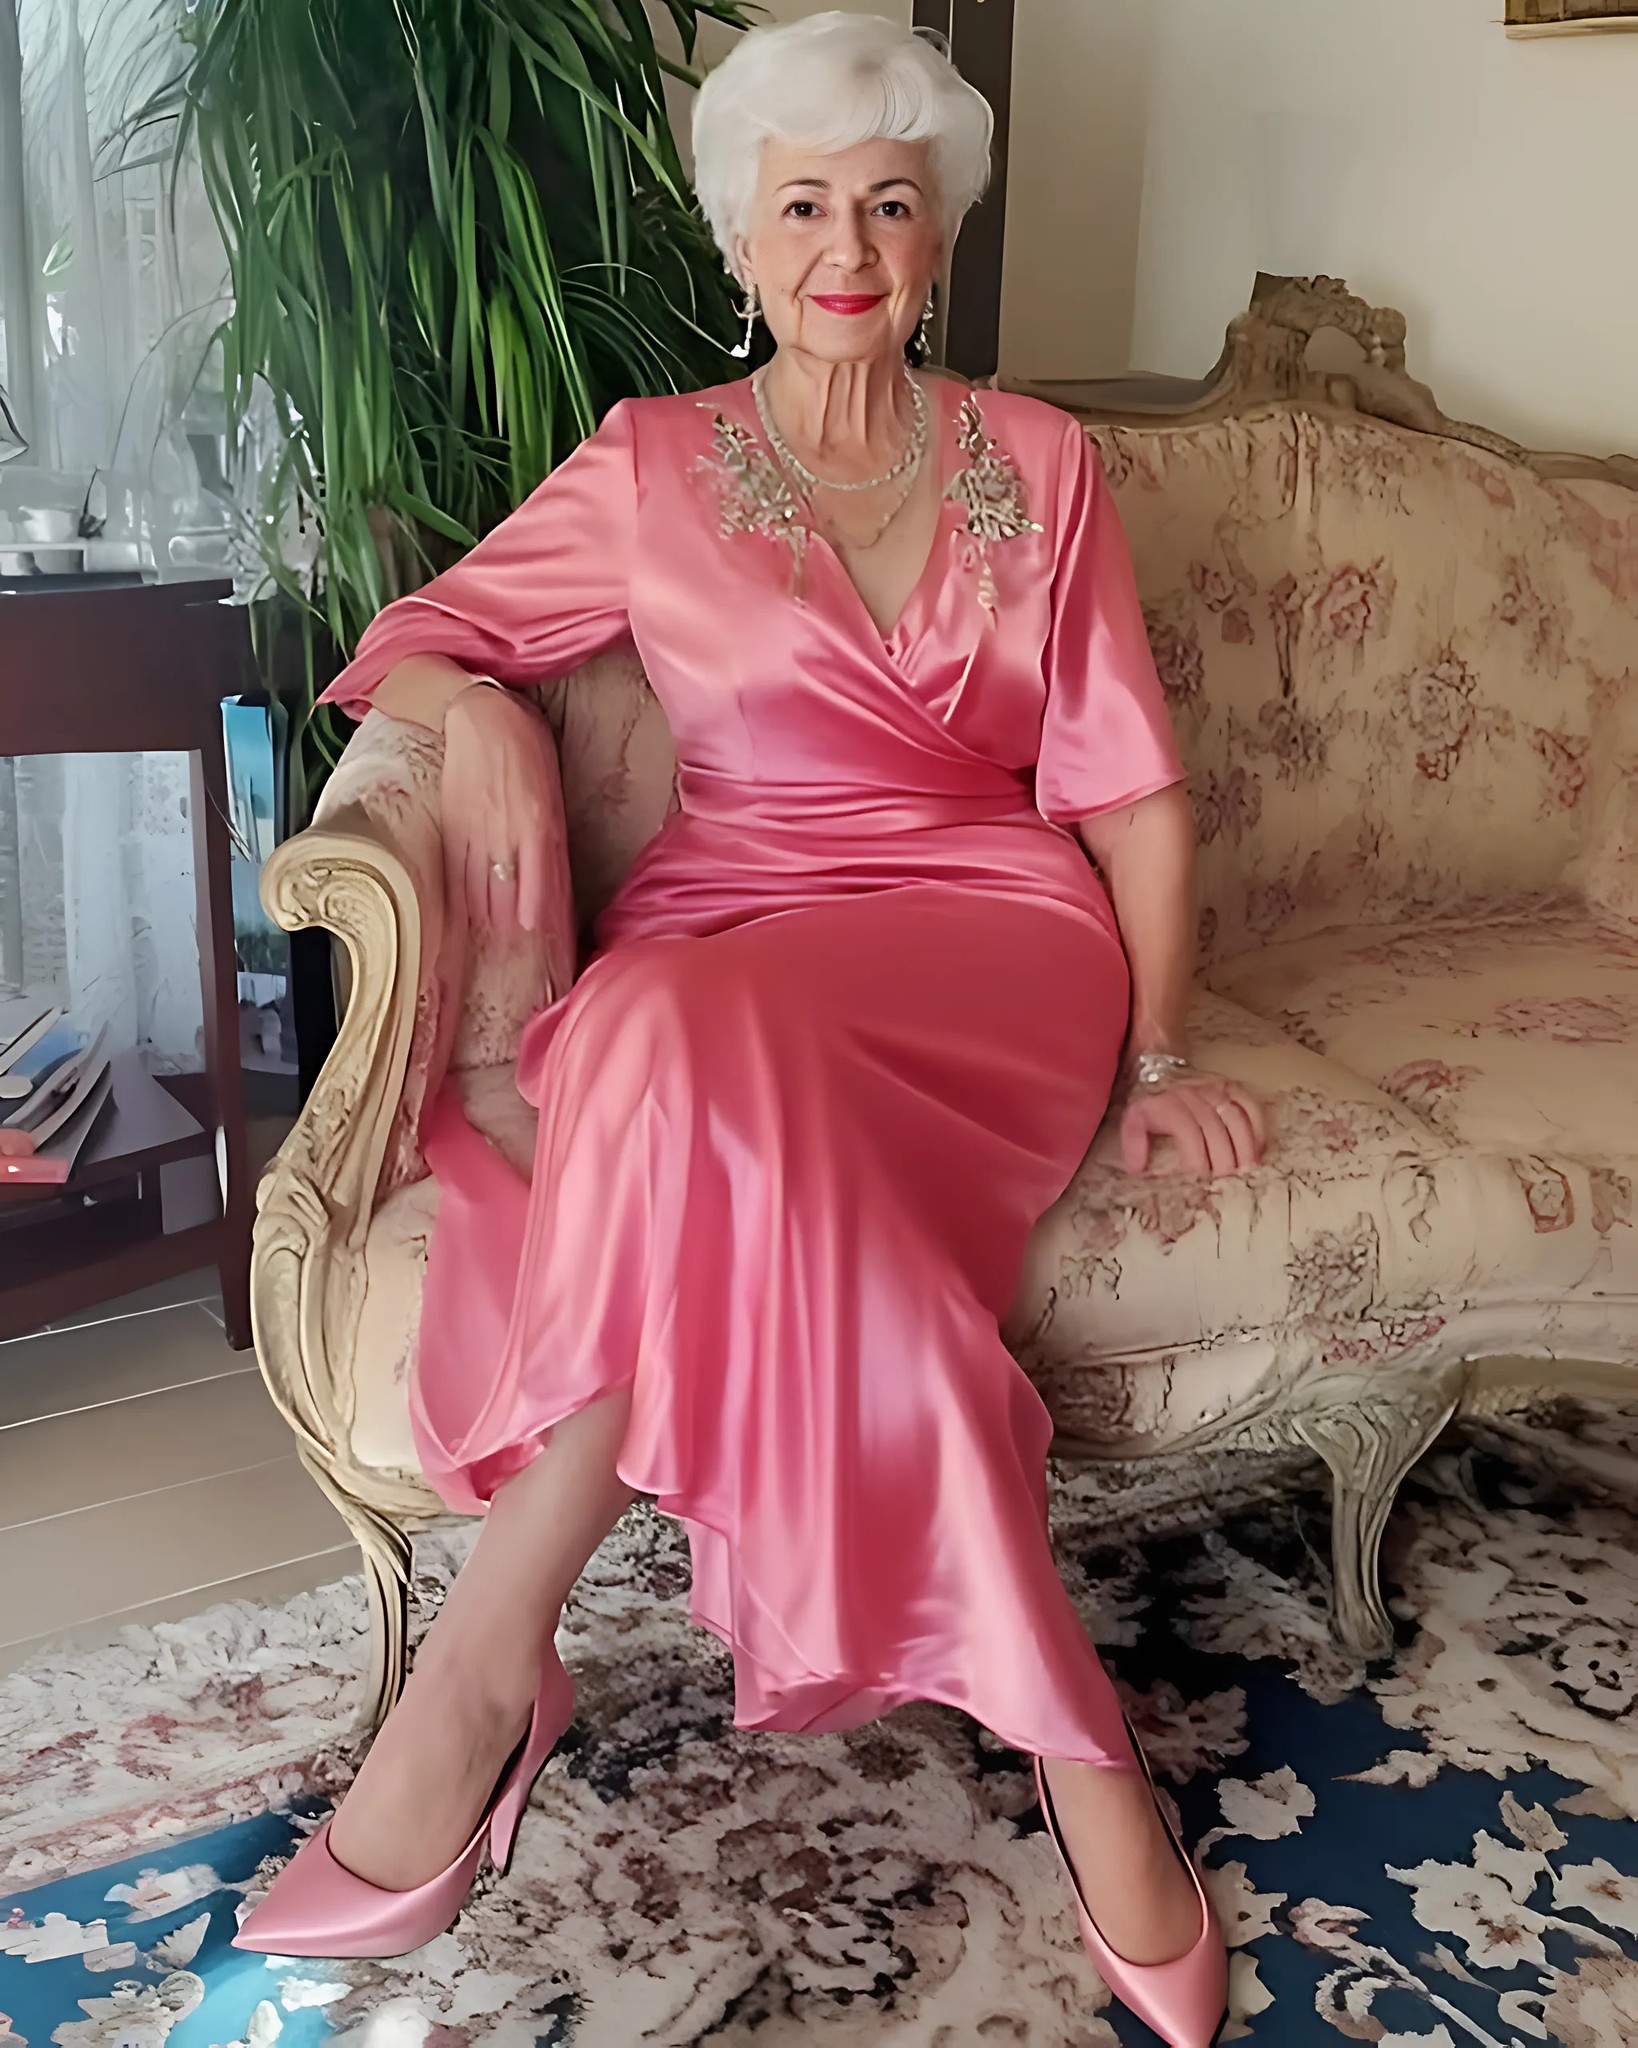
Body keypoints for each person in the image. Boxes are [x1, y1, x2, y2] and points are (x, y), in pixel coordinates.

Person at [234, 15, 1264, 2042]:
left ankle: (485, 1670)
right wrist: (485, 721)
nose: (845, 247)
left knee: (663, 1050)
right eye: (803, 205)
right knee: (671, 1038)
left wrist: (1162, 1060)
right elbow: (412, 638)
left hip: (987, 934)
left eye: (888, 203)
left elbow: (1131, 793)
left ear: (937, 234)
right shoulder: (653, 460)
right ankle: (1073, 1740)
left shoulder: (1045, 466)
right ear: (743, 238)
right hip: (733, 920)